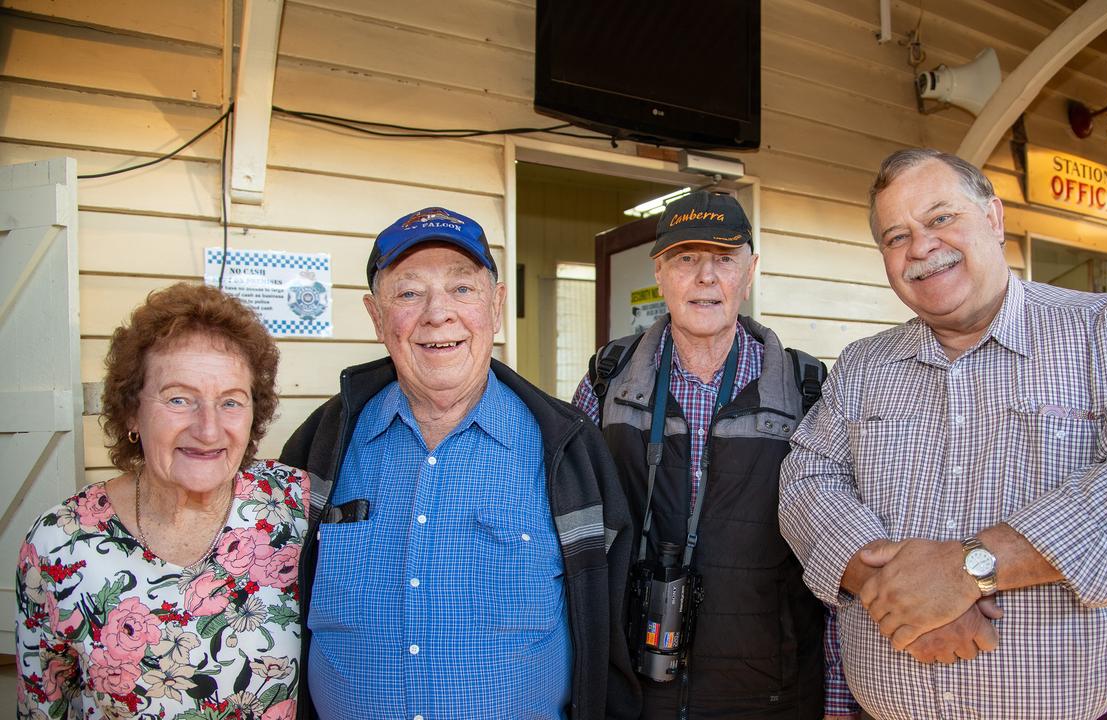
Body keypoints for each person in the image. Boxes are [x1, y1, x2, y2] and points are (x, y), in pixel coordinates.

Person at [778, 148, 1107, 720]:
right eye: (896, 237)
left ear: (993, 219)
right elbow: (806, 481)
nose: (920, 247)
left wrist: (970, 569)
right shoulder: (865, 366)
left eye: (940, 218)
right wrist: (888, 586)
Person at [280, 206, 637, 719]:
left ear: (496, 306)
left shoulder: (571, 451)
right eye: (408, 292)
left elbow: (611, 634)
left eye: (462, 289)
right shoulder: (320, 446)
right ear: (376, 316)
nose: (437, 313)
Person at [573, 190, 853, 718]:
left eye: (724, 259)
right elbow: (572, 539)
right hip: (634, 687)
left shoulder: (807, 388)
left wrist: (837, 700)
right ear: (659, 271)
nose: (706, 277)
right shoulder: (606, 380)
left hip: (770, 693)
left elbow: (834, 555)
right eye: (686, 259)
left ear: (750, 272)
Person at [15, 283, 306, 720]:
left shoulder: (294, 507)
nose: (208, 430)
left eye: (231, 401)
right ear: (132, 411)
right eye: (178, 399)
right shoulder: (61, 544)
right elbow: (43, 707)